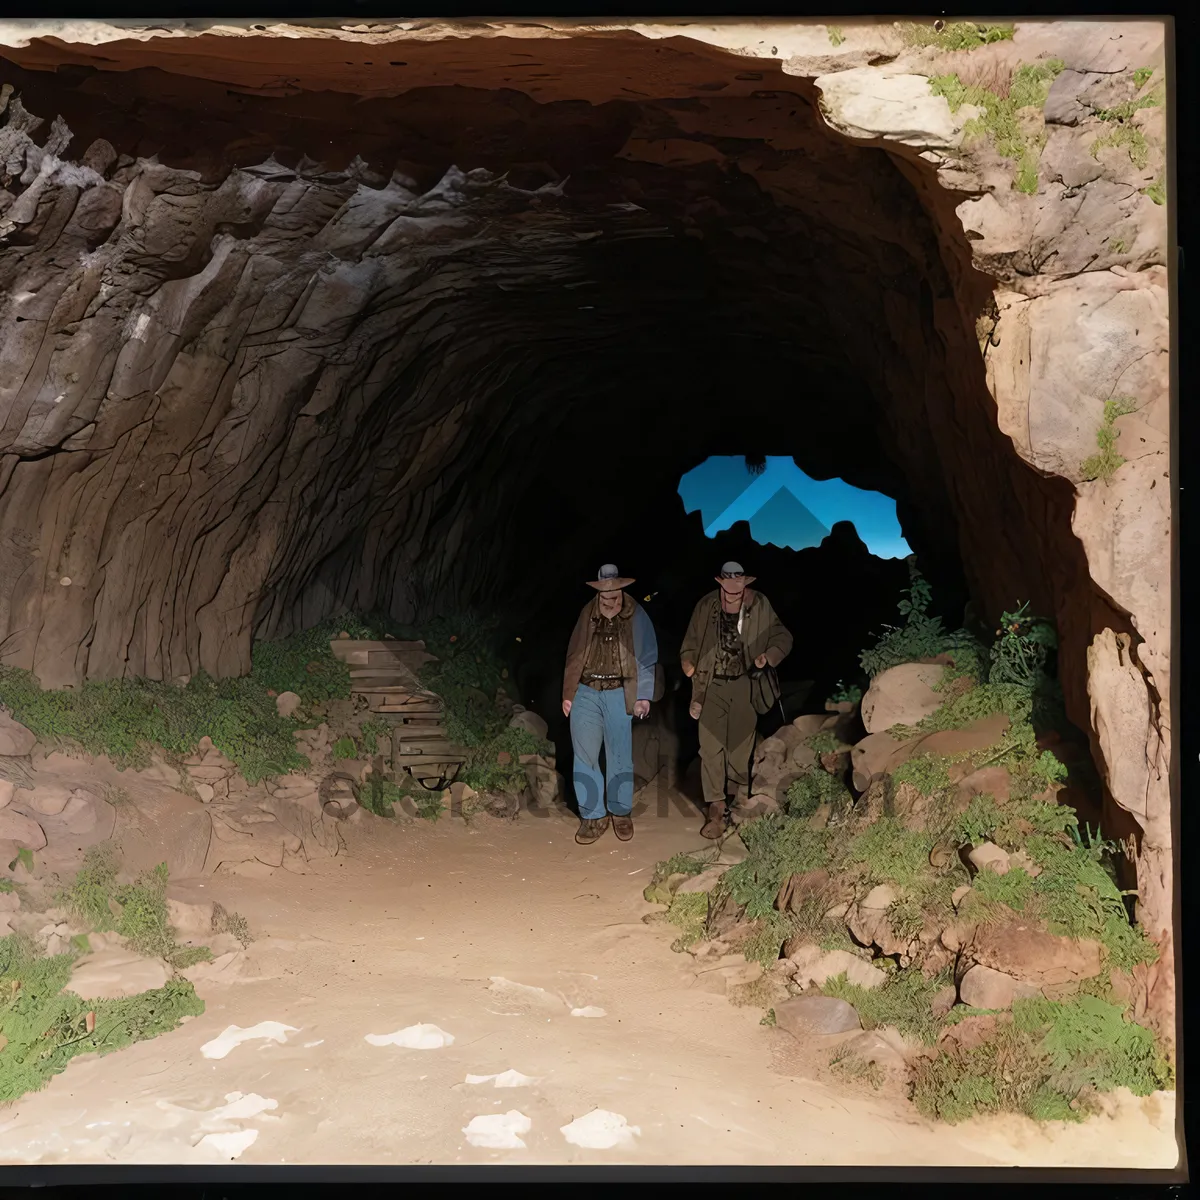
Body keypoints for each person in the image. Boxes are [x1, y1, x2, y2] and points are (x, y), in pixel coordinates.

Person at [681, 562, 793, 839]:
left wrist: (768, 656)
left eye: (738, 584)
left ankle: (737, 797)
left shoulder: (759, 603)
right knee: (710, 746)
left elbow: (783, 636)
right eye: (728, 584)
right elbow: (691, 642)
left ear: (745, 583)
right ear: (721, 582)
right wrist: (688, 661)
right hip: (713, 684)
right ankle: (716, 808)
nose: (733, 590)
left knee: (740, 746)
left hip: (746, 683)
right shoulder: (707, 606)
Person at [562, 564, 659, 845]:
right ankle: (593, 817)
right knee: (584, 755)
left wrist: (643, 695)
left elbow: (647, 655)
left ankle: (620, 812)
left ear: (621, 590)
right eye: (604, 598)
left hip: (620, 691)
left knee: (619, 755)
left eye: (613, 597)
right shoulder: (587, 613)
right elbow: (574, 653)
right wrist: (568, 694)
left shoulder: (637, 614)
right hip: (586, 690)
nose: (609, 603)